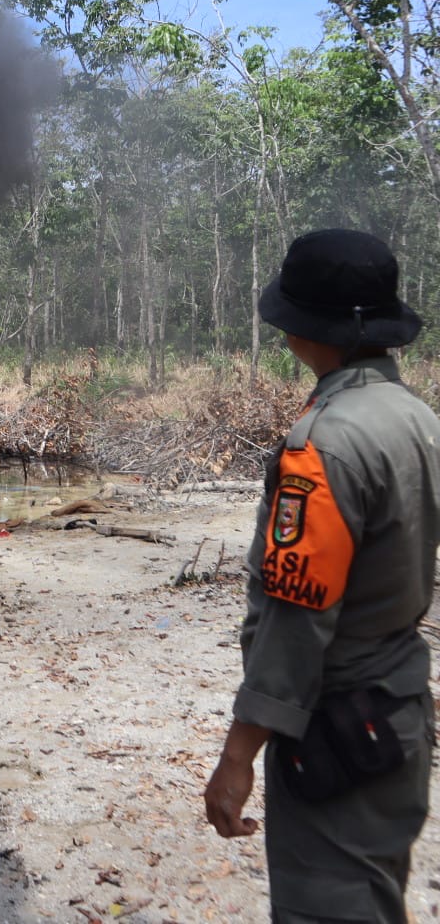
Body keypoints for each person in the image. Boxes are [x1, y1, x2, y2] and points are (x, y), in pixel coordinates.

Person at [204, 229, 439, 922]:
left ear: (304, 329)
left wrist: (239, 754)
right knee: (375, 894)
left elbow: (298, 616)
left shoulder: (326, 444)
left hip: (340, 731)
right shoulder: (417, 417)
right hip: (399, 714)